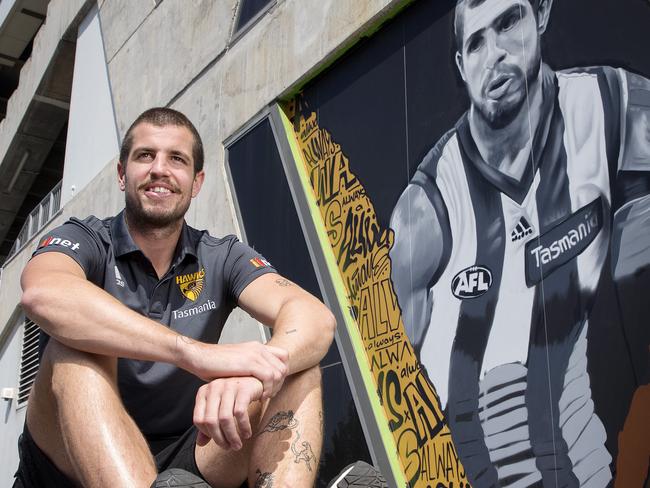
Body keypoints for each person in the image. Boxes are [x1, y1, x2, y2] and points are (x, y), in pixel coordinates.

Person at [389, 0, 650, 486]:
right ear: (461, 66)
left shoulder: (615, 105)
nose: (495, 55)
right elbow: (406, 394)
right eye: (476, 42)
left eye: (508, 22)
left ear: (542, 13)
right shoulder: (425, 210)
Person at [14, 107, 336, 488]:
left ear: (196, 182)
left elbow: (313, 316)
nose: (159, 169)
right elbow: (43, 292)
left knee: (293, 366)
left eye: (177, 159)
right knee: (74, 349)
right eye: (145, 155)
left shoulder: (221, 255)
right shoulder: (86, 238)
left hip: (184, 462)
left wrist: (256, 379)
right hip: (66, 462)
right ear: (122, 174)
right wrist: (192, 352)